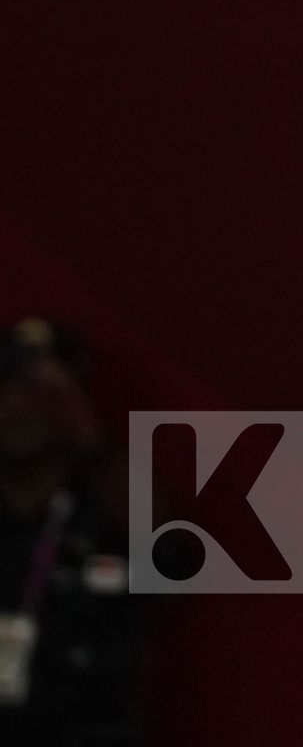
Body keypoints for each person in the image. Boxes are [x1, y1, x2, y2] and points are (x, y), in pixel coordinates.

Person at [0, 317, 144, 747]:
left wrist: (90, 438)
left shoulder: (109, 516)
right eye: (4, 388)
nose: (17, 407)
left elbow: (173, 556)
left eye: (42, 393)